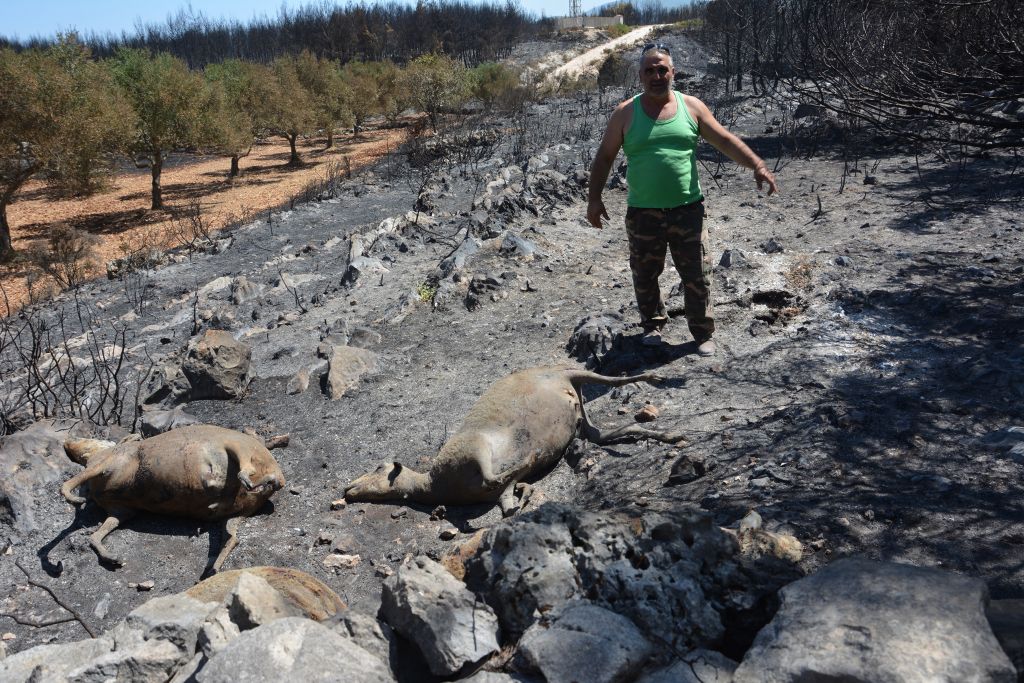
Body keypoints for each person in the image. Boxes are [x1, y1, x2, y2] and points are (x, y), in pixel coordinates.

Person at [587, 43, 777, 356]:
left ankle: (702, 333)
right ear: (640, 76)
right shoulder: (625, 113)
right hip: (642, 212)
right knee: (645, 273)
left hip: (688, 209)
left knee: (697, 274)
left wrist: (757, 164)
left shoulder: (692, 107)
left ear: (673, 72)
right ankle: (652, 325)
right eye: (649, 70)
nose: (656, 75)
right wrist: (594, 199)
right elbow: (605, 157)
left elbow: (725, 141)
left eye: (662, 69)